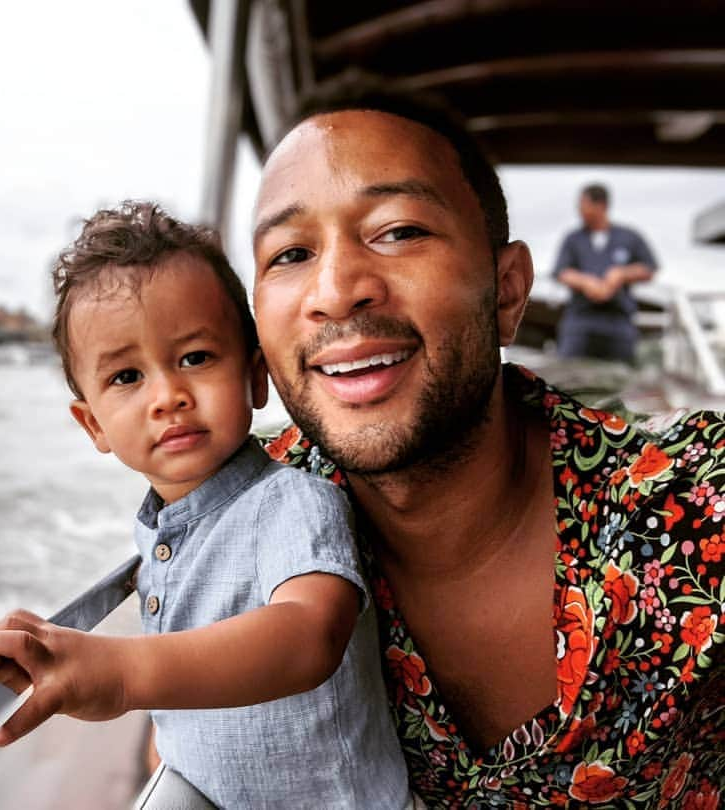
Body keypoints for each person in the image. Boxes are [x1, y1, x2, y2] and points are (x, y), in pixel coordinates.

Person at [251, 84, 723, 808]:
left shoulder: (692, 508)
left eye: (398, 230)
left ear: (506, 292)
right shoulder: (241, 525)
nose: (336, 290)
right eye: (289, 252)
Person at [0, 201, 412, 808]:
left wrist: (123, 674)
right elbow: (189, 648)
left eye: (196, 359)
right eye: (127, 377)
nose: (169, 396)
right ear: (92, 424)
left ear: (256, 378)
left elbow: (309, 637)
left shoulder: (290, 504)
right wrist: (168, 733)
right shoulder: (158, 530)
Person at [553, 183, 658, 363]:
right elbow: (561, 272)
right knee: (568, 372)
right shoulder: (573, 238)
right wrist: (586, 282)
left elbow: (649, 268)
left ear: (600, 205)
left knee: (623, 375)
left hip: (618, 320)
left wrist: (621, 274)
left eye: (583, 204)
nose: (579, 210)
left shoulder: (630, 236)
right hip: (580, 319)